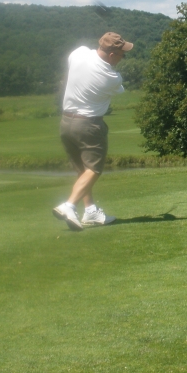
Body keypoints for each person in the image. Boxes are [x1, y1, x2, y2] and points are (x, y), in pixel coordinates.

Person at [53, 31, 133, 231]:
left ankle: (91, 212)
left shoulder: (78, 53)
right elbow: (119, 90)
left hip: (66, 123)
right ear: (113, 54)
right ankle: (69, 205)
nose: (123, 58)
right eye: (122, 54)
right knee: (94, 170)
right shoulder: (112, 77)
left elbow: (80, 59)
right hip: (89, 126)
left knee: (82, 170)